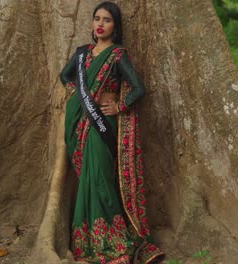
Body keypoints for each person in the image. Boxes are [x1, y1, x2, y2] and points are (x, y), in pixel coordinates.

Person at [60, 2, 164, 263]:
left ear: (115, 27)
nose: (100, 24)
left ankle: (116, 240)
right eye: (97, 18)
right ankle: (87, 243)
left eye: (107, 20)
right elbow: (65, 76)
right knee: (87, 182)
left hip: (103, 128)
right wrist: (76, 96)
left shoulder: (118, 55)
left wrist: (119, 106)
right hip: (79, 125)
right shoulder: (83, 54)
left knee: (101, 181)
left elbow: (139, 88)